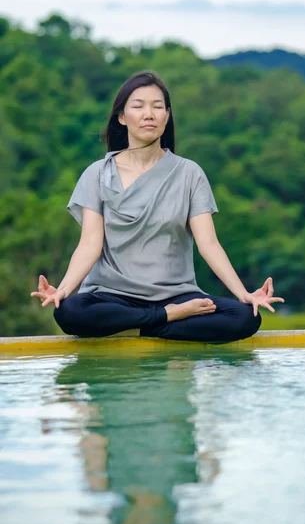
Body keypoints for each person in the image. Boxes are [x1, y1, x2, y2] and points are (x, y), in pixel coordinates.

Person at [30, 71, 284, 343]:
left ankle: (146, 322)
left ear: (167, 115)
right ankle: (166, 318)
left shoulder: (189, 173)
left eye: (157, 106)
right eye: (138, 106)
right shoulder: (97, 174)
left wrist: (243, 293)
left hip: (177, 294)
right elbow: (90, 244)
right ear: (122, 117)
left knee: (246, 318)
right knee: (68, 312)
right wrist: (64, 289)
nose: (148, 114)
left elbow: (208, 243)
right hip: (113, 295)